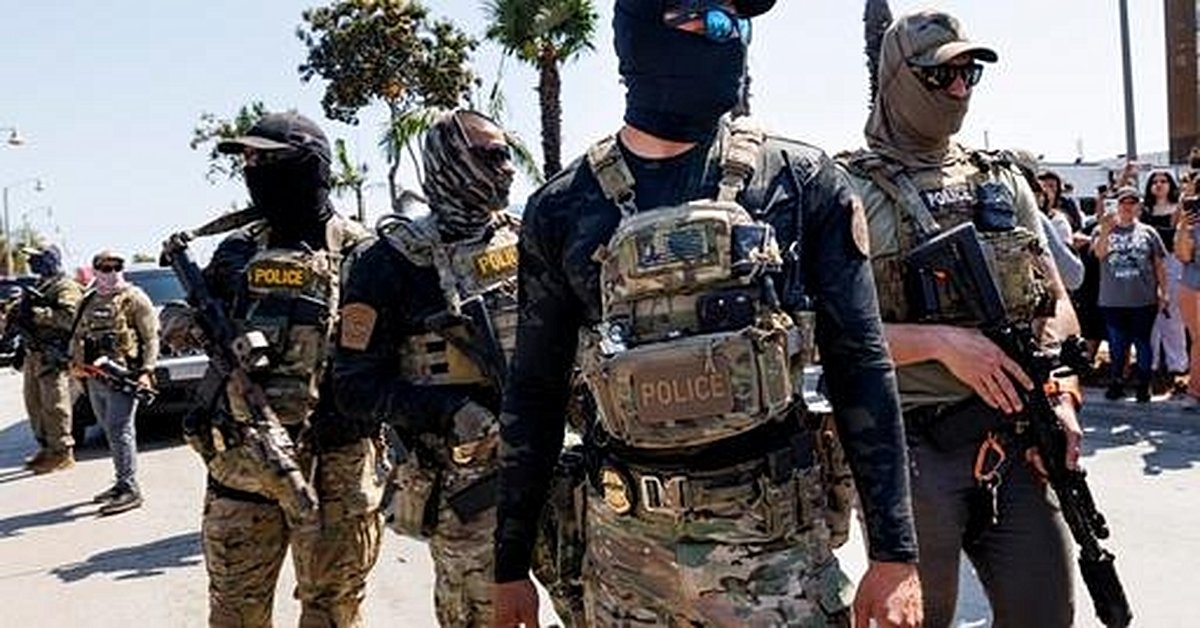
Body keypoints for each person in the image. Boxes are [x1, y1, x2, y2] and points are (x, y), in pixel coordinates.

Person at [493, 2, 922, 626]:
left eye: (739, 25)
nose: (732, 39)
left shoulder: (802, 182)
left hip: (775, 562)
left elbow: (861, 368)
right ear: (643, 29)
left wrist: (894, 555)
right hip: (625, 568)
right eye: (711, 21)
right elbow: (534, 394)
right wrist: (509, 567)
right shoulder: (562, 208)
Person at [841, 10, 1081, 627]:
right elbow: (821, 333)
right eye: (940, 75)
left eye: (969, 74)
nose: (958, 89)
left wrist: (1062, 392)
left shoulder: (1000, 180)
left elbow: (1057, 303)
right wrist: (940, 343)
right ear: (898, 78)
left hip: (1013, 439)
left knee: (1046, 613)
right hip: (911, 448)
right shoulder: (844, 192)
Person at [168, 111, 383, 626]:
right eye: (247, 160)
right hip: (245, 466)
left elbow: (393, 353)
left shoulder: (364, 252)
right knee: (236, 614)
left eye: (266, 159)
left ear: (309, 165)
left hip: (338, 469)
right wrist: (190, 324)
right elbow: (189, 318)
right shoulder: (237, 249)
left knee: (334, 612)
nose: (252, 170)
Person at [333, 108, 523, 627]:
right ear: (448, 162)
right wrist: (449, 409)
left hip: (550, 466)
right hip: (466, 481)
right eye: (492, 155)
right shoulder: (390, 261)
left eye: (508, 154)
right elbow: (354, 387)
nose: (507, 167)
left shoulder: (528, 239)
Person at [70, 250, 158, 514]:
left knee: (121, 430)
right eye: (105, 268)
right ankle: (121, 483)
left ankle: (130, 488)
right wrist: (76, 366)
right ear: (95, 270)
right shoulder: (88, 300)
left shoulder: (134, 297)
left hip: (123, 375)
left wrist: (146, 370)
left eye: (116, 268)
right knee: (110, 430)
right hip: (94, 376)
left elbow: (151, 338)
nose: (111, 273)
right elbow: (76, 335)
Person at [13, 244, 83, 474]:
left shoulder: (65, 286)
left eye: (36, 258)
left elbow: (71, 317)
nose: (31, 262)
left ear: (49, 260)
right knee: (34, 403)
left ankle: (62, 452)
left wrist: (39, 314)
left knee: (54, 404)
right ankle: (47, 448)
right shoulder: (40, 284)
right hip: (34, 353)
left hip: (52, 355)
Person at [1095, 185, 1168, 402]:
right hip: (1112, 299)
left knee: (1142, 342)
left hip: (1143, 299)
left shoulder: (1148, 232)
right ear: (1117, 205)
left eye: (1132, 202)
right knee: (1117, 344)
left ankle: (1144, 384)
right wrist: (1106, 230)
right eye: (1123, 202)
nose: (1127, 206)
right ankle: (1117, 382)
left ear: (1139, 206)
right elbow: (1099, 254)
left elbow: (1159, 265)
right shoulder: (1102, 229)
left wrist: (1164, 292)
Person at [1143, 170, 1189, 384]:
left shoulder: (1179, 207)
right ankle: (1150, 363)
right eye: (1155, 181)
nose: (1159, 185)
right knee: (1150, 315)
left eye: (1164, 181)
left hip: (1172, 262)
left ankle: (1177, 364)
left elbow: (1175, 228)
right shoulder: (1144, 210)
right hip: (1147, 263)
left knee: (1173, 314)